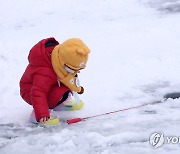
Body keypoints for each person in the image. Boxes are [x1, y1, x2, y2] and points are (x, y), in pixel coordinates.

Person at [19, 37, 90, 125]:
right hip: (30, 91)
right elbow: (38, 92)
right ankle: (37, 115)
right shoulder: (45, 72)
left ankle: (61, 103)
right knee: (54, 93)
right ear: (63, 62)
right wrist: (42, 113)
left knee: (66, 84)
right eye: (72, 69)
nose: (75, 72)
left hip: (50, 84)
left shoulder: (59, 58)